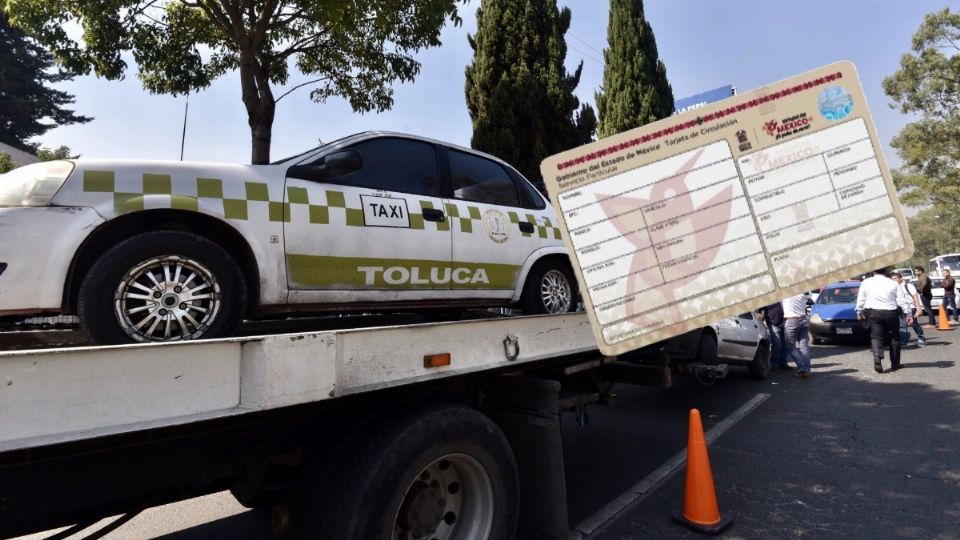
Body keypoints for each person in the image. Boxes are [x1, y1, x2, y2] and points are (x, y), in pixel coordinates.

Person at [856, 268, 901, 373]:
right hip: (891, 312)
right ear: (886, 272)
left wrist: (859, 311)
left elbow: (861, 298)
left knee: (876, 337)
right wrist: (908, 313)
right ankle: (895, 363)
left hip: (874, 312)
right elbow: (900, 299)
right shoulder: (893, 283)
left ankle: (878, 358)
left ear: (873, 271)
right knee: (894, 337)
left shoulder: (866, 282)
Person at [781, 294, 811, 379]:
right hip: (804, 319)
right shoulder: (802, 294)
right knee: (804, 346)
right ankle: (807, 369)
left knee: (790, 346)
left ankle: (802, 369)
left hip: (792, 320)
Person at [893, 272, 926, 347]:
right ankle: (903, 342)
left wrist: (919, 308)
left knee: (914, 324)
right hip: (901, 308)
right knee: (902, 325)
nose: (893, 280)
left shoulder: (908, 286)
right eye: (892, 279)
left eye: (895, 278)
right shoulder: (894, 287)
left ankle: (921, 338)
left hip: (911, 307)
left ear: (901, 278)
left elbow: (915, 297)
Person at [760, 301, 790, 371]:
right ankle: (775, 364)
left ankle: (783, 363)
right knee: (777, 344)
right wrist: (759, 314)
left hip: (785, 322)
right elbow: (760, 307)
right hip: (773, 322)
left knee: (785, 344)